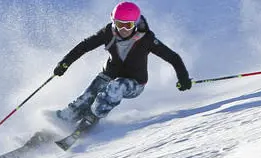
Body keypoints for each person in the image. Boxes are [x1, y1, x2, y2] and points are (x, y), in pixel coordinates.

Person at [51, 1, 192, 132]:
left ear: (135, 24)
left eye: (128, 25)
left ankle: (91, 119)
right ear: (113, 22)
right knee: (90, 93)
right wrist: (64, 63)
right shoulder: (108, 32)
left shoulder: (147, 39)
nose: (124, 29)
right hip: (111, 74)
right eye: (119, 24)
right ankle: (67, 117)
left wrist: (183, 78)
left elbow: (172, 57)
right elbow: (84, 46)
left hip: (135, 83)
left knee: (116, 87)